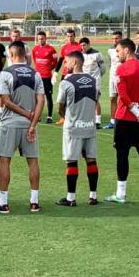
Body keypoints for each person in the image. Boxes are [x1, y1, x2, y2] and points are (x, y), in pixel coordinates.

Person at [0, 42, 45, 214]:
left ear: (12, 54)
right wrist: (33, 123)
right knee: (33, 161)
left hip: (10, 123)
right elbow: (41, 100)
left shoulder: (6, 73)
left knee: (5, 160)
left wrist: (27, 115)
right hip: (29, 125)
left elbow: (6, 101)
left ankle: (4, 203)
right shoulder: (35, 74)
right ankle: (34, 202)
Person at [107, 38, 139, 203]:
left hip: (125, 118)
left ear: (126, 50)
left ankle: (121, 194)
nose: (117, 54)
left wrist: (136, 112)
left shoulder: (122, 68)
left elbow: (122, 94)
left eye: (118, 51)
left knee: (122, 155)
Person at [55, 51, 101, 207]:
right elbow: (97, 98)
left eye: (66, 62)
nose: (65, 65)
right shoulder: (94, 80)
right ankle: (93, 196)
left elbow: (60, 107)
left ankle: (71, 198)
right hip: (90, 126)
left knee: (72, 161)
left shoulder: (66, 82)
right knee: (91, 160)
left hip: (73, 127)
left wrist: (67, 117)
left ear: (74, 62)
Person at [31, 31, 58, 124]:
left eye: (42, 38)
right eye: (39, 39)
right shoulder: (34, 49)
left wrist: (49, 68)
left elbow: (55, 61)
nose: (40, 40)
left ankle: (49, 116)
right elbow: (35, 60)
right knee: (37, 96)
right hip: (38, 77)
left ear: (45, 39)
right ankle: (38, 116)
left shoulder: (51, 49)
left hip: (47, 76)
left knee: (48, 96)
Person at [79, 37, 105, 128]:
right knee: (85, 100)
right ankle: (88, 120)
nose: (83, 47)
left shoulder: (97, 54)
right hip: (84, 81)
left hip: (95, 81)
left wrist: (97, 77)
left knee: (95, 100)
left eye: (84, 45)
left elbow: (103, 69)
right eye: (81, 45)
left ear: (89, 44)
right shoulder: (80, 54)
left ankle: (98, 121)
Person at [106, 30, 123, 129]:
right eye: (113, 38)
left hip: (121, 77)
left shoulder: (124, 49)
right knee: (112, 98)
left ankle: (120, 120)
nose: (114, 40)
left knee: (122, 99)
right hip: (112, 77)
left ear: (121, 38)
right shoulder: (110, 50)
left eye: (116, 38)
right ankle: (112, 121)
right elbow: (111, 63)